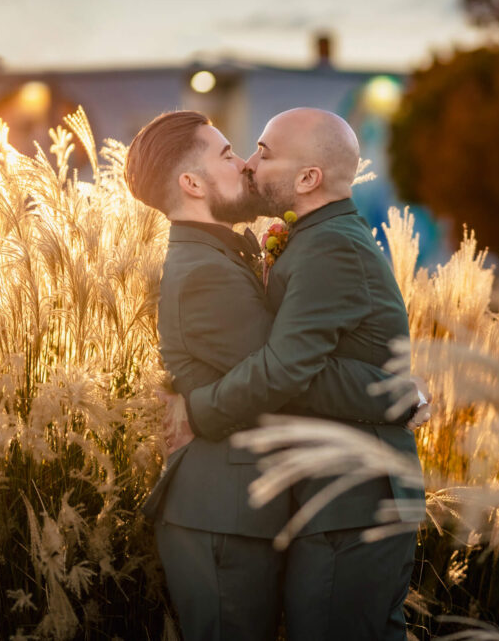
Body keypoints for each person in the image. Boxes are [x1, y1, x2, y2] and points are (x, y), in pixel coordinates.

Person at [124, 110, 424, 641]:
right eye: (232, 154)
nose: (246, 163)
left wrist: (198, 409)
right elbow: (288, 373)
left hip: (304, 502)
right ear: (191, 184)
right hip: (222, 511)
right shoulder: (207, 272)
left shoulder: (252, 250)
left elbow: (289, 369)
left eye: (260, 151)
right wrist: (398, 396)